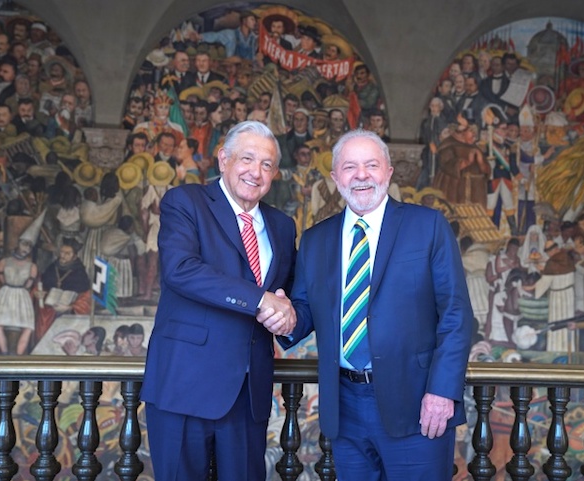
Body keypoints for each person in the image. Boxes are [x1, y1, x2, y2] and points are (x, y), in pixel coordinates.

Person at [261, 129, 473, 480]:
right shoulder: (316, 239)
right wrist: (283, 317)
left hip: (417, 403)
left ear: (388, 172)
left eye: (371, 165)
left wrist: (441, 391)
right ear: (335, 177)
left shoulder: (428, 226)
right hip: (344, 407)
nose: (361, 175)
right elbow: (305, 309)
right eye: (349, 167)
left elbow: (456, 314)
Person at [141, 121, 297, 480]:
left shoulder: (282, 225)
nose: (256, 172)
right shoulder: (186, 202)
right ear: (224, 159)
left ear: (274, 174)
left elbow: (289, 295)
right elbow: (181, 269)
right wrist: (259, 300)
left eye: (267, 164)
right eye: (247, 159)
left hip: (248, 394)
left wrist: (291, 318)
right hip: (185, 385)